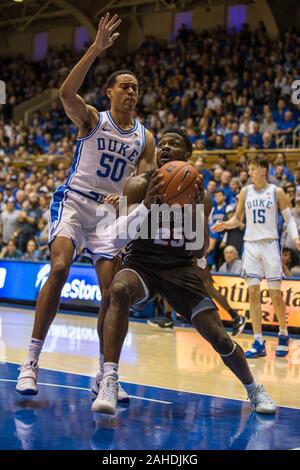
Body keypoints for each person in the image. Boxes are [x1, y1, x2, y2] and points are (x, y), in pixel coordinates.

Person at [16, 13, 156, 399]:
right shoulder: (92, 118)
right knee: (59, 268)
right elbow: (64, 94)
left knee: (113, 293)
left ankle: (105, 375)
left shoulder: (145, 137)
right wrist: (96, 49)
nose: (131, 93)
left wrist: (128, 195)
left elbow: (147, 183)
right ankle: (30, 362)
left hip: (110, 216)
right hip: (76, 202)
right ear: (108, 92)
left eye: (136, 89)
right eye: (125, 87)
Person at [92, 129, 276, 416]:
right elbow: (115, 238)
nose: (165, 147)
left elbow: (200, 249)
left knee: (218, 336)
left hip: (180, 268)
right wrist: (146, 206)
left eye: (173, 144)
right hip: (143, 263)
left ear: (187, 156)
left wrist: (197, 213)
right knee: (118, 289)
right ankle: (109, 380)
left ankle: (254, 389)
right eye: (162, 144)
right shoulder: (139, 184)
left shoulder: (199, 195)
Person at [213, 154, 300, 358]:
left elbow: (289, 220)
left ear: (263, 170)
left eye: (252, 169)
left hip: (270, 245)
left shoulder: (276, 191)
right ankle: (258, 341)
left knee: (275, 295)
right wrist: (226, 224)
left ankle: (283, 333)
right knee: (252, 293)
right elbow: (237, 218)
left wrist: (296, 238)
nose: (249, 172)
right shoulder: (245, 191)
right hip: (250, 246)